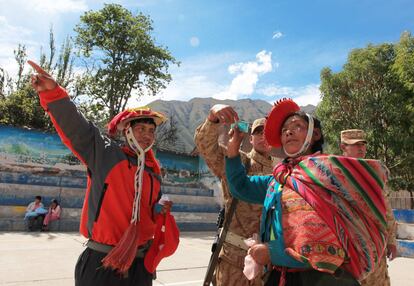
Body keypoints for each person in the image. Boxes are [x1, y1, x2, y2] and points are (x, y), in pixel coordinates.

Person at [28, 60, 179, 286]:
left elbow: (147, 211)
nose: (147, 135)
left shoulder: (152, 171)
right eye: (140, 129)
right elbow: (78, 129)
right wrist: (53, 94)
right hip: (102, 263)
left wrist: (159, 211)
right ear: (127, 131)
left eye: (151, 130)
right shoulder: (107, 155)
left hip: (140, 266)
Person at [225, 98, 389, 286]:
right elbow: (240, 186)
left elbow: (328, 241)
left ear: (315, 134)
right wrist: (232, 152)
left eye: (297, 126)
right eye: (285, 129)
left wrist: (274, 253)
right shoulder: (278, 179)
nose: (288, 131)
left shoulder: (331, 173)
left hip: (324, 279)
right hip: (280, 277)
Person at [194, 104, 278, 286]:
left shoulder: (281, 173)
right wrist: (212, 118)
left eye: (268, 132)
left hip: (268, 264)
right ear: (251, 137)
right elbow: (206, 147)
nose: (263, 136)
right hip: (234, 260)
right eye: (258, 132)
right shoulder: (238, 160)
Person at [340, 129, 397, 286]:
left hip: (377, 246)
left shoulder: (375, 171)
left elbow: (386, 208)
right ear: (342, 147)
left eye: (363, 144)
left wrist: (391, 240)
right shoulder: (335, 173)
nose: (361, 148)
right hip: (351, 249)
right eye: (355, 145)